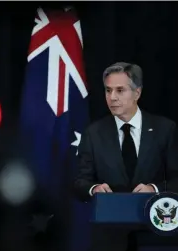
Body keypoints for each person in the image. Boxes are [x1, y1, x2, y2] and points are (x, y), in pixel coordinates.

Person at [73, 62, 178, 251]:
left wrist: (153, 189)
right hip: (109, 236)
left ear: (137, 93)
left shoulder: (165, 129)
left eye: (120, 90)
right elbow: (80, 181)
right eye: (108, 90)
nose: (112, 97)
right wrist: (94, 188)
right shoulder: (93, 133)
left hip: (155, 231)